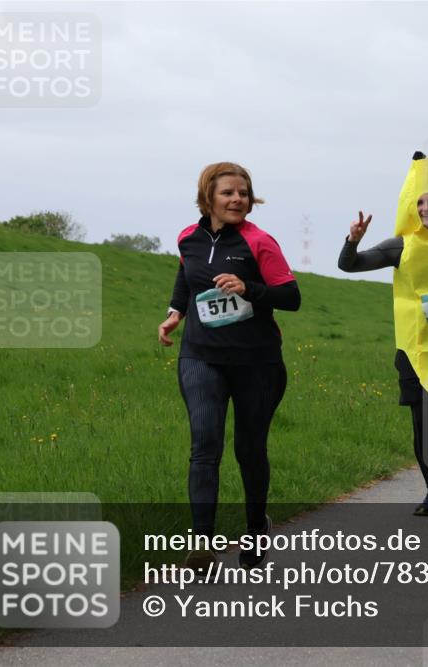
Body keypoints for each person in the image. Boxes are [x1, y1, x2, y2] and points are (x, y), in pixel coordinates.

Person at [158, 162, 301, 569]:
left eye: (243, 193)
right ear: (208, 197)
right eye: (228, 192)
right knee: (205, 444)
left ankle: (256, 527)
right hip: (201, 356)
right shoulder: (188, 238)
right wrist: (175, 312)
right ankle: (202, 543)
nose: (237, 199)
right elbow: (186, 275)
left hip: (257, 362)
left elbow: (291, 297)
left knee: (249, 449)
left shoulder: (260, 242)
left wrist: (248, 288)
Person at [338, 152, 428, 516]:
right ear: (409, 209)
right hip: (414, 348)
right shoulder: (399, 245)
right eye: (419, 202)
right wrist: (352, 240)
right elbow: (349, 265)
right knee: (422, 424)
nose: (426, 208)